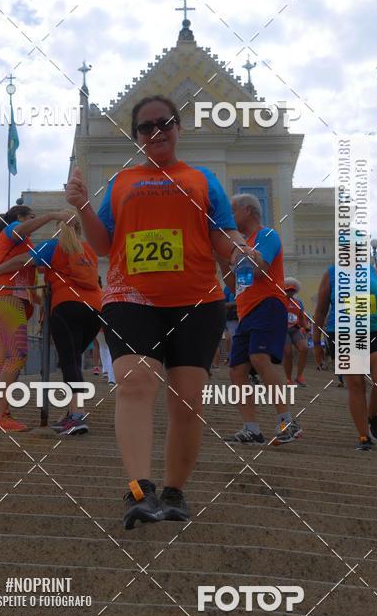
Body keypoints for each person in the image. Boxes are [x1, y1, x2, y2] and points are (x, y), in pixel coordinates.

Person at [65, 95, 245, 529]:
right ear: (137, 137)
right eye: (145, 127)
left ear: (178, 128)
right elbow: (105, 245)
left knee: (187, 401)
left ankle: (174, 491)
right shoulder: (123, 182)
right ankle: (140, 491)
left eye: (164, 123)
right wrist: (84, 207)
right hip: (131, 298)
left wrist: (239, 250)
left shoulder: (204, 180)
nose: (156, 132)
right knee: (134, 381)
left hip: (198, 301)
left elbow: (225, 240)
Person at [0, 218, 102, 435]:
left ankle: (77, 415)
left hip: (67, 306)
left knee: (69, 362)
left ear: (59, 228)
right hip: (94, 309)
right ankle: (73, 412)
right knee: (73, 360)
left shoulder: (53, 245)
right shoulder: (88, 250)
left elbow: (22, 262)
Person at [223, 194, 302, 446]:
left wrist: (237, 254)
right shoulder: (243, 245)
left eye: (233, 210)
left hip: (268, 304)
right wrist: (220, 257)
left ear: (248, 211)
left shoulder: (267, 236)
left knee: (259, 358)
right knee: (237, 370)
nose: (230, 216)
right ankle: (251, 429)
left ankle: (288, 421)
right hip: (246, 311)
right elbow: (236, 284)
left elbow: (259, 270)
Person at [313, 263, 377, 450]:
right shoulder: (331, 273)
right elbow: (320, 310)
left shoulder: (372, 271)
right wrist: (316, 343)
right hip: (343, 333)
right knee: (356, 384)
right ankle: (364, 436)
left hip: (374, 329)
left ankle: (372, 415)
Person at [282, 277, 309, 387]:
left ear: (295, 291)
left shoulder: (298, 302)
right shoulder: (280, 301)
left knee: (305, 348)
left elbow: (301, 317)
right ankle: (288, 378)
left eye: (292, 290)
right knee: (288, 353)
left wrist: (306, 327)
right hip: (283, 330)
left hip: (295, 329)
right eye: (287, 290)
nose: (290, 292)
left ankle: (299, 376)